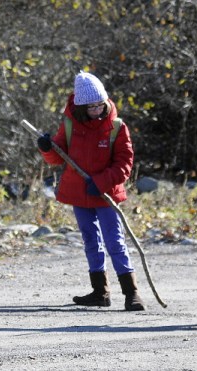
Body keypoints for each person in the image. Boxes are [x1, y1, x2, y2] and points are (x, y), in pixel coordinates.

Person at [37, 71, 145, 311]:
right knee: (90, 240)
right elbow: (56, 157)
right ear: (81, 107)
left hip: (106, 194)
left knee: (114, 241)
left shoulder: (117, 127)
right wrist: (46, 148)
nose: (97, 109)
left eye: (100, 104)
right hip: (80, 192)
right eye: (91, 106)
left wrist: (102, 181)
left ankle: (131, 292)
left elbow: (124, 165)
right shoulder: (68, 125)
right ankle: (100, 292)